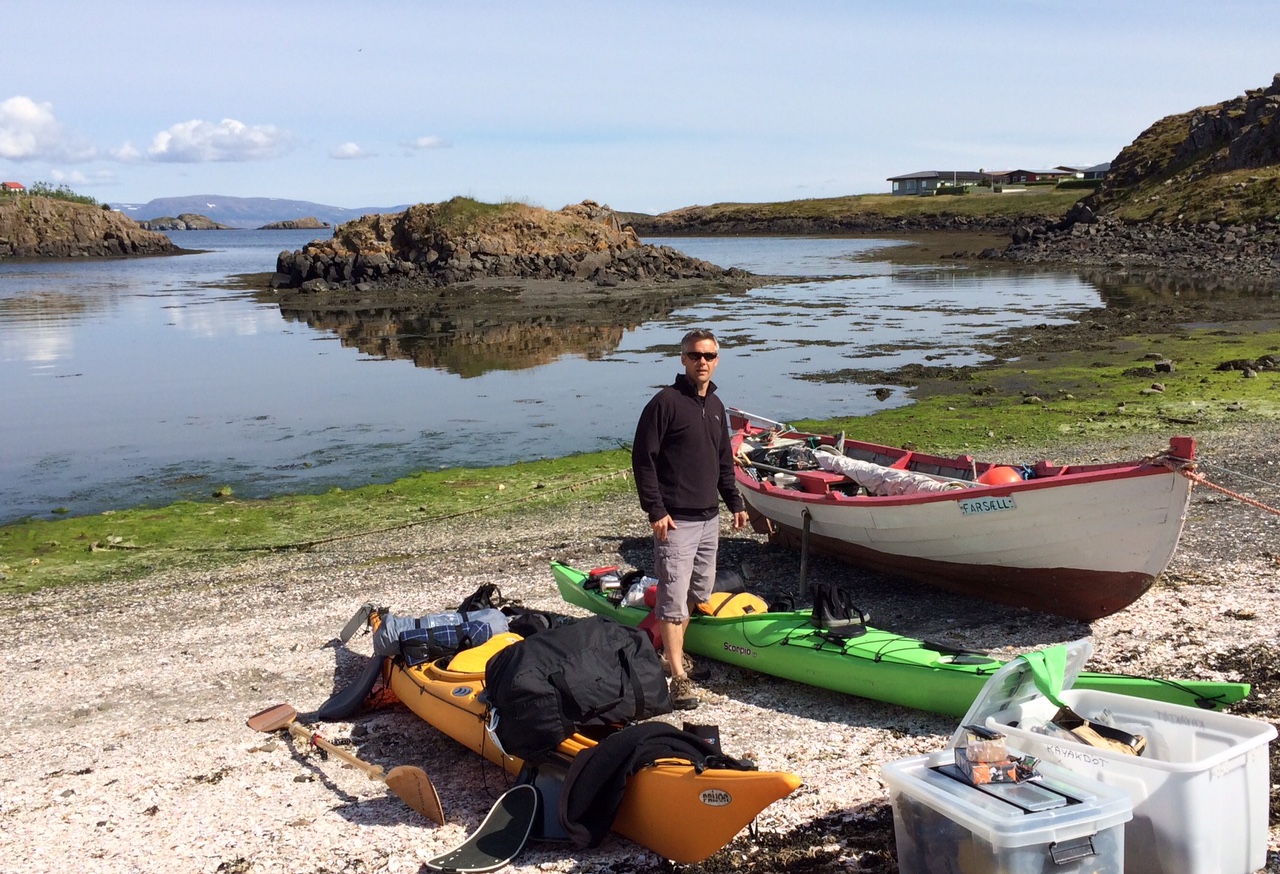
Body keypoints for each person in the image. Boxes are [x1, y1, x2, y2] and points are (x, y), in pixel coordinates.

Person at [631, 329, 750, 709]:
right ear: (682, 358)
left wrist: (735, 502)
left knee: (698, 594)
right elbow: (643, 460)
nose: (703, 362)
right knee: (672, 599)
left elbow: (723, 461)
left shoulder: (715, 406)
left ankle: (670, 656)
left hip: (709, 519)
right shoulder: (665, 403)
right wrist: (656, 510)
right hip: (676, 521)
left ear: (717, 359)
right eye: (696, 355)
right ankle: (678, 677)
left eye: (710, 356)